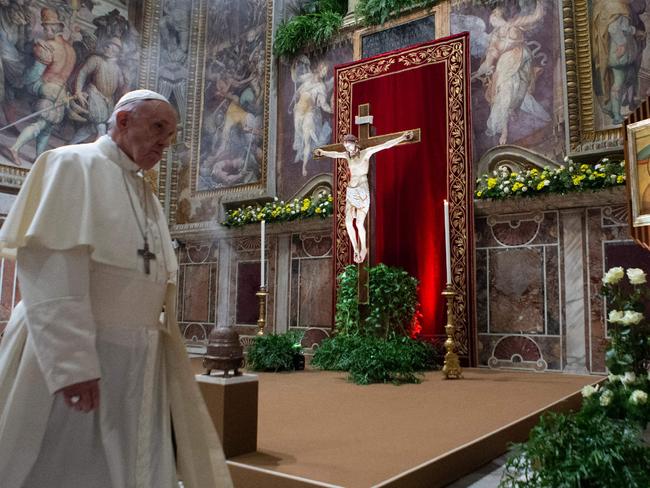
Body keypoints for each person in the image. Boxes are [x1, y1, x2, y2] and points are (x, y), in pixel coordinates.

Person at [0, 90, 233, 488]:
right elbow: (54, 268)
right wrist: (72, 365)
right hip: (80, 354)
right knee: (65, 464)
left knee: (129, 463)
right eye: (158, 127)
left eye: (171, 134)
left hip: (136, 360)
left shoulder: (143, 191)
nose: (165, 142)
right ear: (122, 121)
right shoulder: (72, 164)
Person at [314, 130, 413, 263]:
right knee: (348, 222)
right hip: (351, 190)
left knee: (359, 222)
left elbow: (385, 145)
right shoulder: (347, 155)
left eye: (349, 146)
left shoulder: (366, 153)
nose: (348, 149)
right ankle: (355, 248)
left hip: (362, 191)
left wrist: (401, 138)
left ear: (355, 143)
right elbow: (334, 154)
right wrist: (323, 152)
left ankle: (363, 249)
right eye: (346, 147)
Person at [10, 7, 76, 165]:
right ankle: (38, 157)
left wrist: (21, 80)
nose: (44, 31)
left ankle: (16, 148)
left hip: (47, 87)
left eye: (45, 27)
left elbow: (34, 74)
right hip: (61, 91)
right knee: (46, 125)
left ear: (51, 27)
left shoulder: (47, 46)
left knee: (43, 125)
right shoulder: (71, 50)